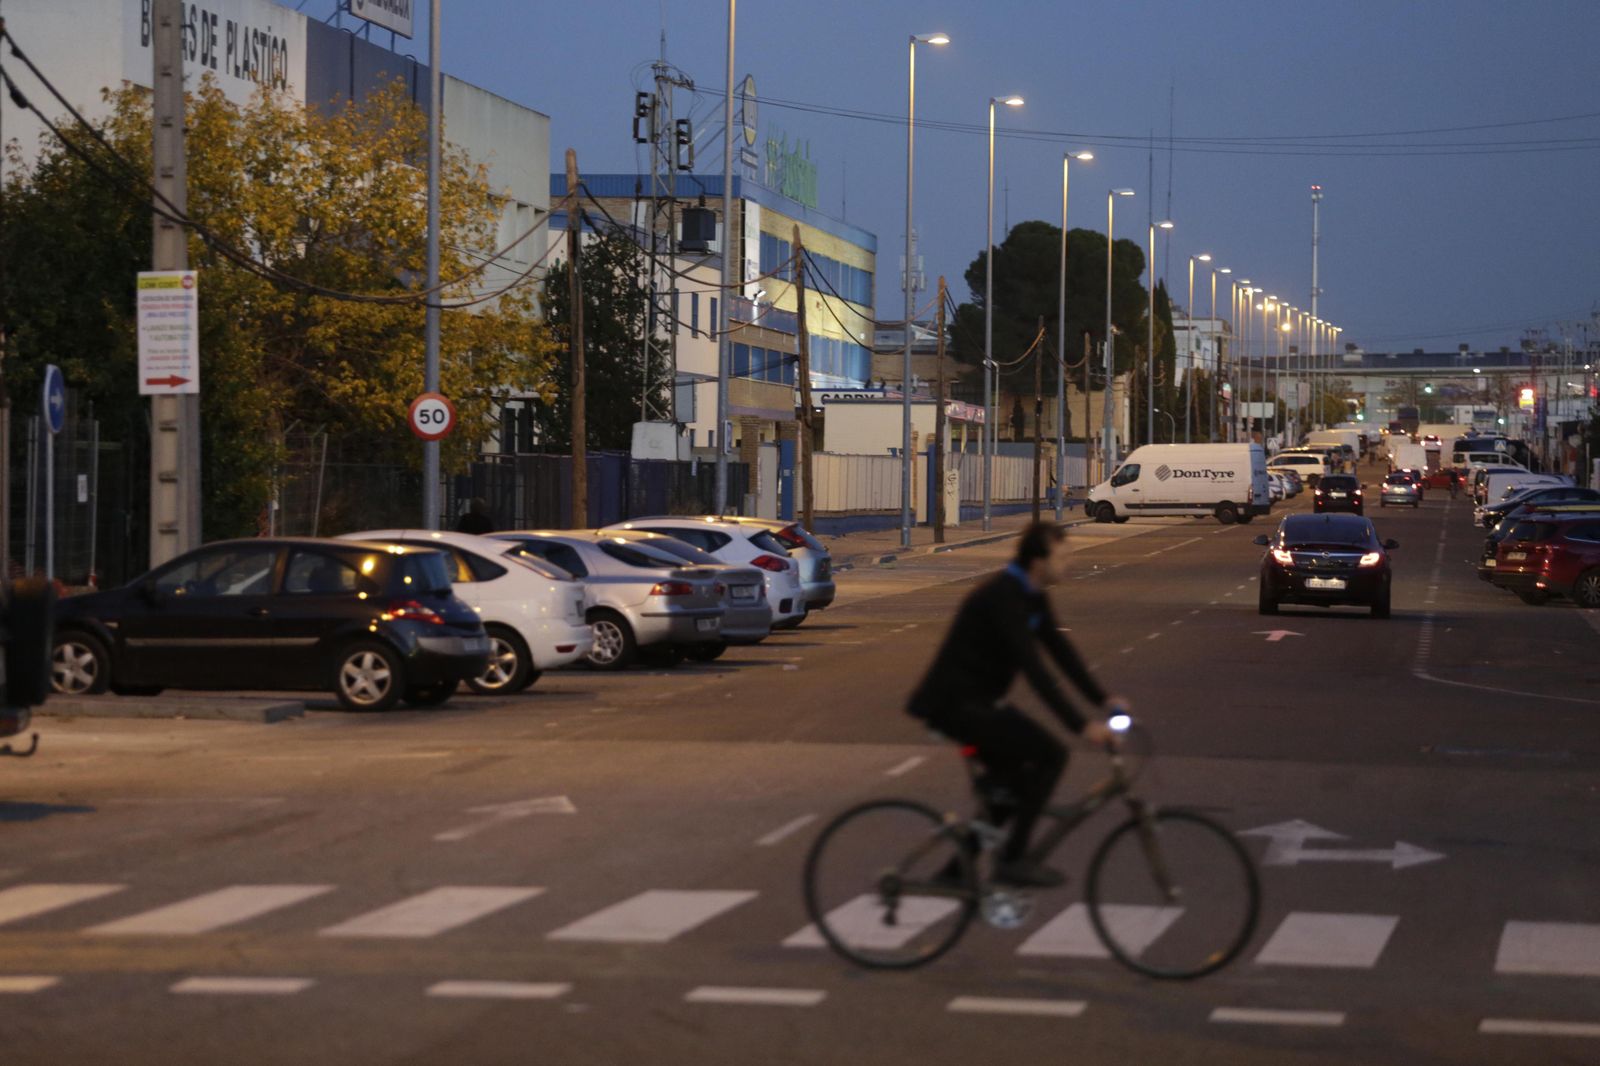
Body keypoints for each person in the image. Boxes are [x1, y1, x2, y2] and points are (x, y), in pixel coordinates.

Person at [907, 521, 1123, 888]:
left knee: (1010, 789)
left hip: (980, 702)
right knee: (1052, 755)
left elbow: (1059, 649)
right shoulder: (1003, 595)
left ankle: (955, 873)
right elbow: (1034, 668)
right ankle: (1011, 860)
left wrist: (1103, 698)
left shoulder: (1032, 594)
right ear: (1038, 559)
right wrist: (1081, 725)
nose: (1069, 563)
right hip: (955, 704)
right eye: (1063, 556)